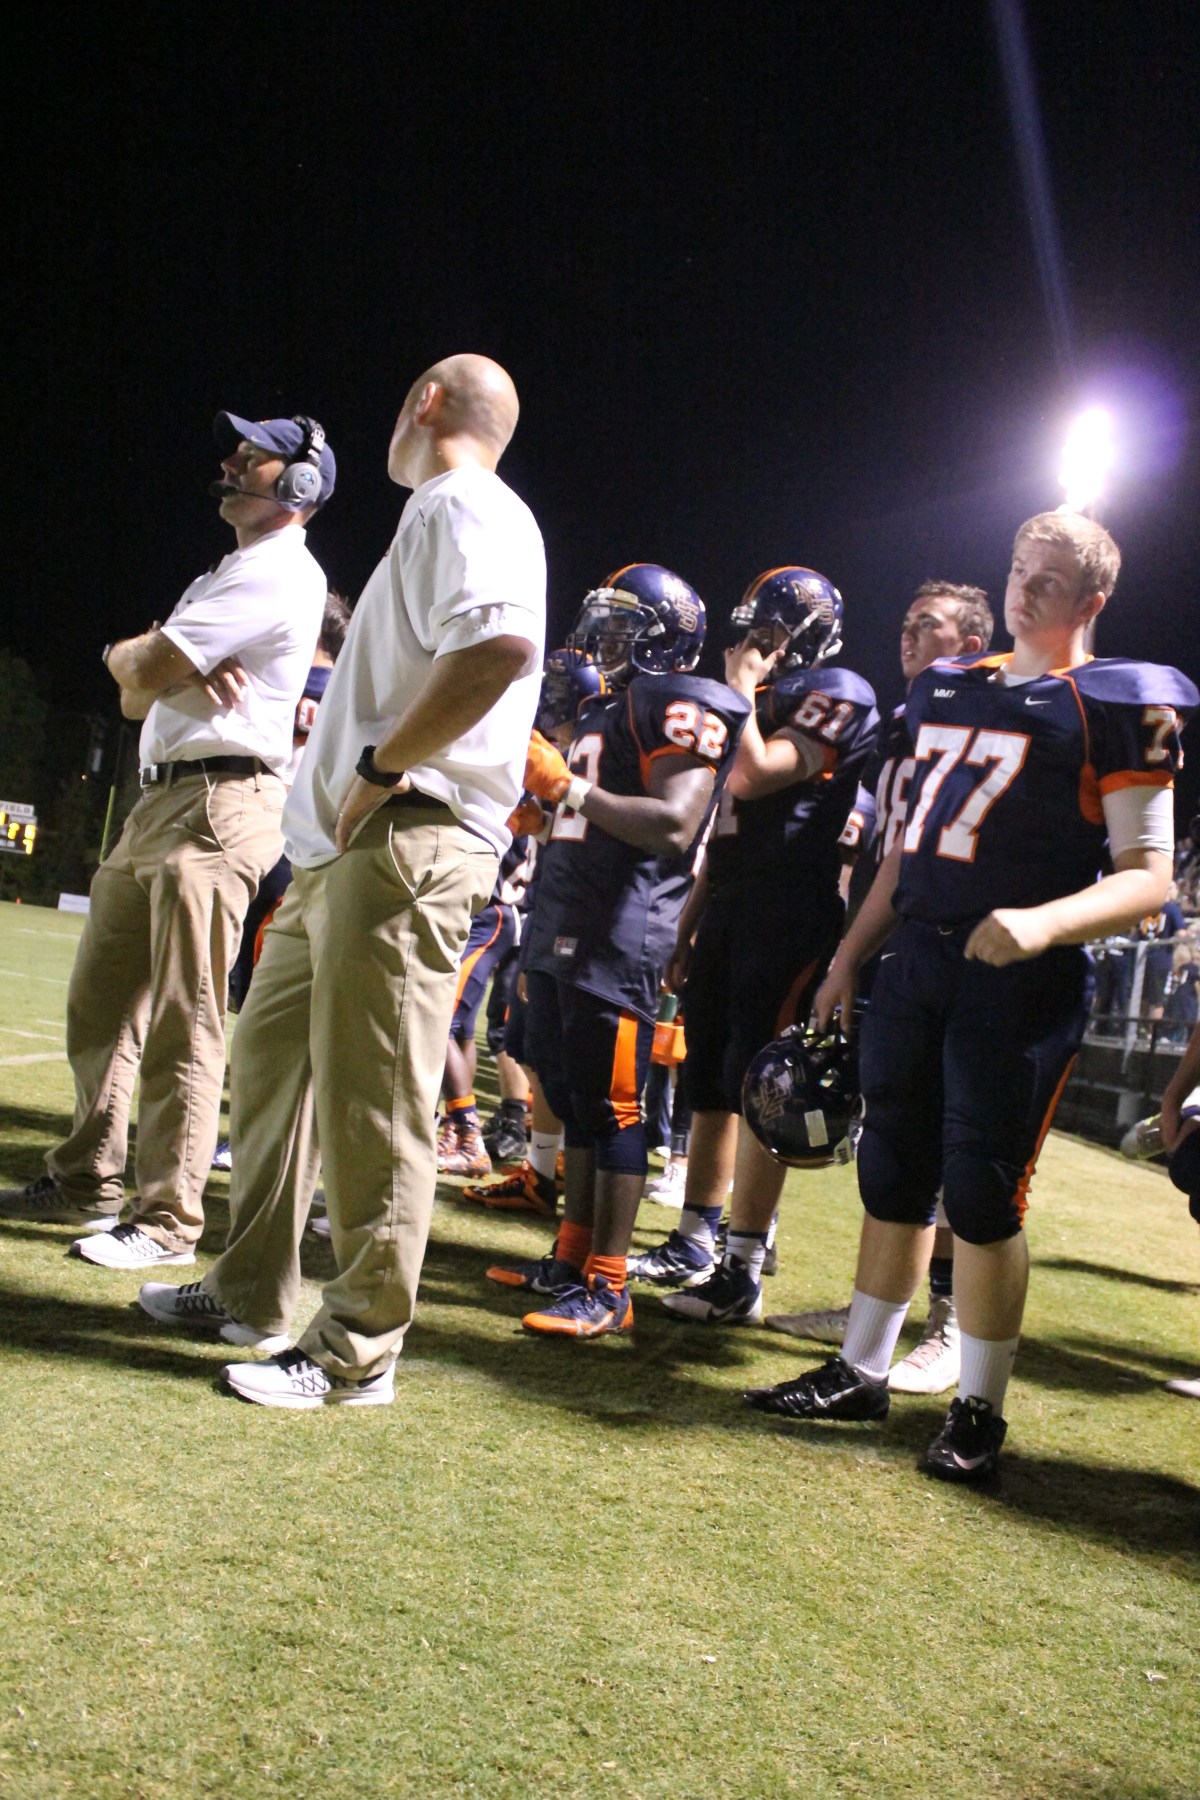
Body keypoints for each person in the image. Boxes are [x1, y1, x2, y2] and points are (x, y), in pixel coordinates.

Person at [745, 511, 1196, 1482]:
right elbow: (908, 846)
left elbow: (1149, 876)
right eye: (1021, 569)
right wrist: (849, 955)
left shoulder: (1118, 703)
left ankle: (980, 1408)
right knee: (892, 1173)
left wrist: (1043, 922)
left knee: (984, 1193)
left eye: (1051, 579)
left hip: (1020, 977)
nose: (1027, 590)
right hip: (920, 955)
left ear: (1093, 600)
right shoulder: (950, 688)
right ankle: (862, 1368)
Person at [137, 354, 546, 1408]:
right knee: (270, 1069)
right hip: (342, 852)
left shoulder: (464, 501)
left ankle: (357, 1351)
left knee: (376, 1103)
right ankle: (249, 1292)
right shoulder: (444, 511)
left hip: (409, 836)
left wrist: (380, 769)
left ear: (425, 403)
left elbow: (499, 648)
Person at [0, 412, 333, 1263]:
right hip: (161, 799)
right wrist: (148, 658)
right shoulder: (224, 574)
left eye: (253, 456)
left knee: (187, 1018)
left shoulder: (278, 571)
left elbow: (143, 671)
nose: (232, 462)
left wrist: (150, 658)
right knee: (100, 1003)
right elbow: (132, 693)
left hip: (221, 801)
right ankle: (86, 1178)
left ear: (300, 484)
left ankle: (166, 1219)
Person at [486, 564, 750, 1336]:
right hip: (569, 918)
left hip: (620, 931)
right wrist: (548, 819)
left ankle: (608, 1284)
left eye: (624, 624)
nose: (604, 637)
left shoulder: (681, 702)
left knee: (615, 1109)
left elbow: (673, 823)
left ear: (667, 639)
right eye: (603, 620)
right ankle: (571, 1260)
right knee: (574, 1099)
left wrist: (566, 790)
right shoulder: (609, 707)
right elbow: (597, 812)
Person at [626, 567, 878, 1327]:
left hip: (788, 910)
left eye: (770, 631)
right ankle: (697, 1239)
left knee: (763, 1084)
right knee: (707, 1079)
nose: (755, 644)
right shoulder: (761, 701)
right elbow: (723, 829)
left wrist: (737, 691)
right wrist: (690, 920)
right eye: (751, 630)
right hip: (732, 904)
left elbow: (756, 774)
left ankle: (742, 1265)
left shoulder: (838, 691)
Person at [766, 580, 994, 1398]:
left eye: (927, 625)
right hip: (884, 932)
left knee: (954, 1148)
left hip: (949, 946)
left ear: (970, 644)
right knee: (892, 1141)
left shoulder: (984, 716)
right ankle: (876, 1312)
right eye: (905, 622)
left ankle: (949, 1322)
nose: (908, 635)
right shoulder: (900, 723)